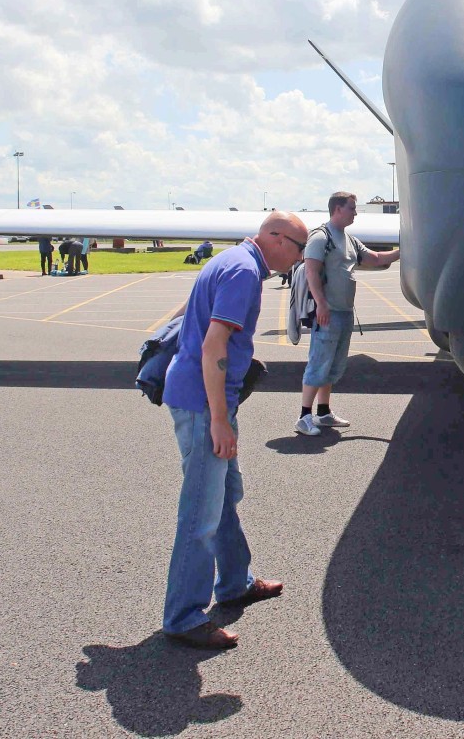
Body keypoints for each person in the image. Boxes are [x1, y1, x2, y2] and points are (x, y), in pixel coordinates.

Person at [161, 210, 309, 649]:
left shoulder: (232, 261)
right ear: (278, 239)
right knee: (201, 512)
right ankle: (184, 616)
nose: (300, 259)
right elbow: (213, 346)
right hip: (204, 405)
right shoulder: (244, 272)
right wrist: (221, 420)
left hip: (201, 399)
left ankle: (234, 583)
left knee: (224, 494)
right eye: (299, 250)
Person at [294, 192, 401, 436]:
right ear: (337, 209)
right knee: (319, 362)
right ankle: (303, 417)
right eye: (352, 208)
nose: (356, 212)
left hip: (343, 312)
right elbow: (311, 272)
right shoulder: (321, 237)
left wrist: (401, 251)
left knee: (333, 364)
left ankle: (323, 412)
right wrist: (321, 304)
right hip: (327, 313)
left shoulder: (349, 239)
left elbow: (373, 258)